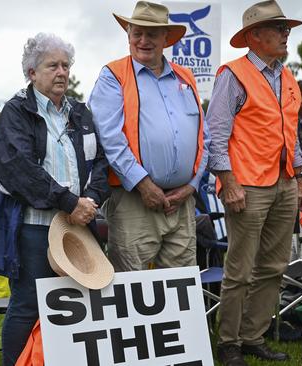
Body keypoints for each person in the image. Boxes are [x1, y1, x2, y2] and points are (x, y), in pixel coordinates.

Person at [0, 33, 109, 365]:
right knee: (28, 304)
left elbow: (100, 162)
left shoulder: (80, 113)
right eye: (52, 65)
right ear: (31, 72)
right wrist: (70, 202)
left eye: (66, 65)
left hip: (80, 224)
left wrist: (91, 200)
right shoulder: (16, 111)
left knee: (77, 301)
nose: (62, 72)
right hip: (35, 228)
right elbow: (18, 169)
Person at [206, 1, 302, 364]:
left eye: (286, 28)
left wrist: (298, 182)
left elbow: (291, 135)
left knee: (274, 267)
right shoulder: (232, 74)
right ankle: (229, 343)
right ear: (254, 36)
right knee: (240, 269)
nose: (286, 34)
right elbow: (216, 136)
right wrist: (228, 183)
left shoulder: (287, 76)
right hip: (246, 186)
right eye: (279, 28)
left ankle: (253, 336)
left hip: (282, 184)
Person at [89, 1, 208, 272]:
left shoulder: (186, 76)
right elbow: (110, 138)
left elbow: (204, 137)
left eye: (151, 34)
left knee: (181, 290)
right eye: (136, 33)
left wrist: (191, 185)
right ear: (128, 35)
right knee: (131, 291)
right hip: (134, 202)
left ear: (166, 39)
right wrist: (144, 185)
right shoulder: (113, 75)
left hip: (182, 203)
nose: (143, 40)